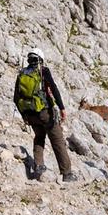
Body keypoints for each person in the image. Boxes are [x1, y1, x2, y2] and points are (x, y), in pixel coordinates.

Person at [13, 48, 75, 182]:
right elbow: (53, 88)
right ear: (41, 59)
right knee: (57, 140)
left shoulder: (22, 73)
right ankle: (67, 173)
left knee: (39, 136)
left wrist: (24, 115)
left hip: (29, 114)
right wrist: (62, 108)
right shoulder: (43, 71)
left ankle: (39, 164)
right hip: (44, 112)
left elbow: (16, 98)